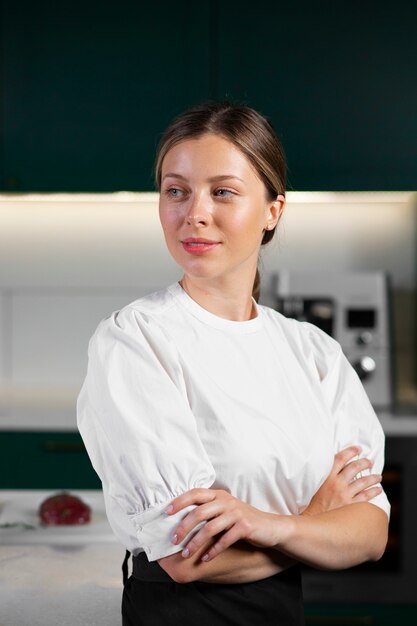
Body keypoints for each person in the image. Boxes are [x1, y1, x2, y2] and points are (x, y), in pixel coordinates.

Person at [77, 101, 389, 625]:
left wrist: (267, 526)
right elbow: (186, 557)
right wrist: (314, 521)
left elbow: (370, 534)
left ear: (273, 210)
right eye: (176, 190)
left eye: (222, 191)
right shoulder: (134, 339)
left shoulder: (313, 352)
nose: (194, 212)